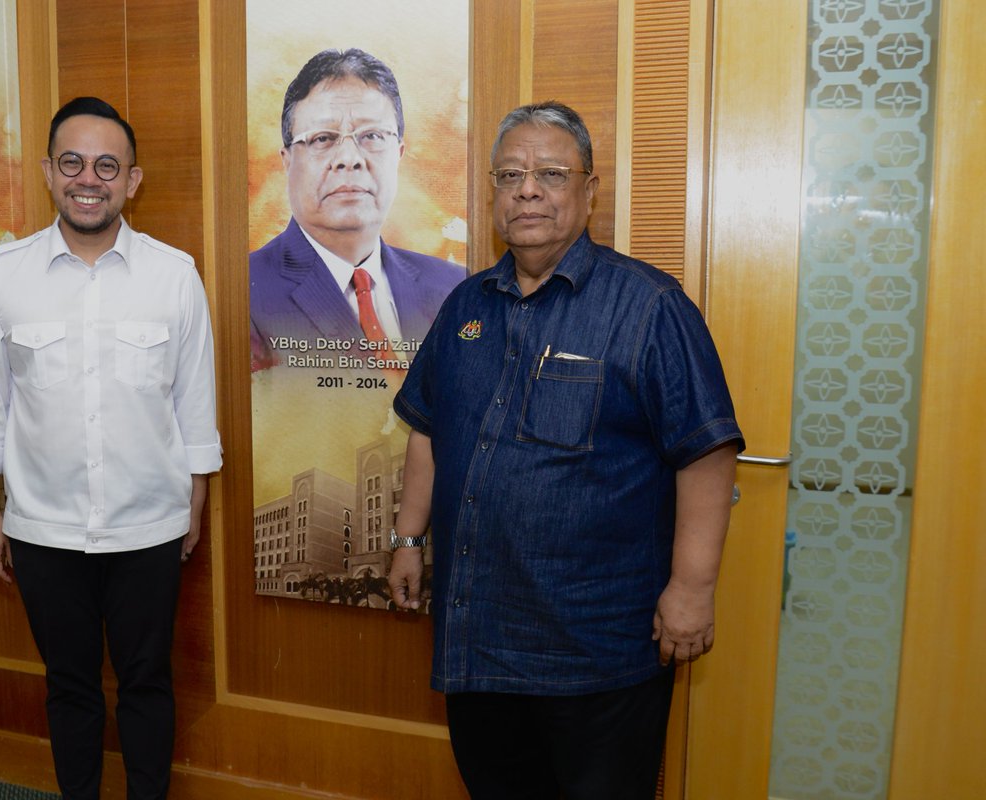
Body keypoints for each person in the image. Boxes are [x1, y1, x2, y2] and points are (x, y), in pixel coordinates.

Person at [387, 101, 744, 800]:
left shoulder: (648, 307)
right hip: (479, 639)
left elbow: (706, 453)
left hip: (599, 649)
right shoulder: (465, 309)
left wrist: (692, 591)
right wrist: (407, 537)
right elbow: (428, 428)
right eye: (511, 174)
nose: (528, 190)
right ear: (492, 191)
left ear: (589, 191)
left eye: (551, 173)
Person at [0, 97, 222, 800]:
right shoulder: (3, 276)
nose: (88, 178)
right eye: (72, 162)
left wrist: (193, 507)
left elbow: (195, 407)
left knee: (146, 683)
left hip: (149, 525)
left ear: (133, 180)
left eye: (108, 165)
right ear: (48, 172)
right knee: (69, 687)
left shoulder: (174, 275)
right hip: (44, 527)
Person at [249, 48, 466, 370]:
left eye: (372, 136)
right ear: (288, 161)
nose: (349, 158)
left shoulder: (453, 287)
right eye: (323, 138)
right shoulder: (245, 290)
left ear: (399, 154)